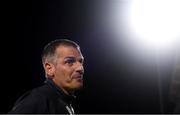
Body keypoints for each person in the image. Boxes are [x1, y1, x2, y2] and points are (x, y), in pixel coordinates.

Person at [8, 39, 84, 114]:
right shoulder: (39, 99)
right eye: (69, 61)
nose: (80, 68)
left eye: (80, 62)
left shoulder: (62, 101)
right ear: (49, 69)